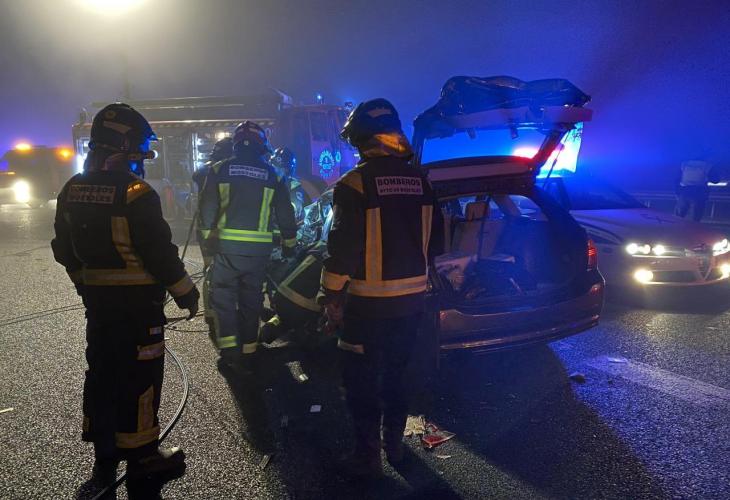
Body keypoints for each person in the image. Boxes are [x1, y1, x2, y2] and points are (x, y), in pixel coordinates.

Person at [51, 103, 200, 493]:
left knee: (103, 374)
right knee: (140, 380)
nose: (143, 157)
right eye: (140, 148)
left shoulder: (72, 189)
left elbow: (63, 249)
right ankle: (143, 457)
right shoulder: (137, 193)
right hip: (139, 311)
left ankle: (105, 456)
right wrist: (187, 293)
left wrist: (85, 286)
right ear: (124, 144)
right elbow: (160, 254)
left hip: (99, 309)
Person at [318, 98, 444, 477]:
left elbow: (342, 250)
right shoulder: (422, 182)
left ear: (362, 140)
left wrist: (331, 296)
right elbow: (438, 245)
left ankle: (367, 457)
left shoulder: (354, 184)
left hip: (366, 308)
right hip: (412, 306)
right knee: (397, 376)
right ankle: (395, 448)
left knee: (360, 382)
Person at [199, 121, 298, 374]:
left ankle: (230, 353)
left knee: (223, 300)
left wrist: (208, 241)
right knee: (251, 301)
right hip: (258, 253)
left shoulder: (219, 169)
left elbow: (207, 208)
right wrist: (289, 244)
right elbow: (285, 214)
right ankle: (250, 350)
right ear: (261, 145)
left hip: (226, 250)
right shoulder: (275, 175)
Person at [193, 137, 233, 335]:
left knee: (211, 271)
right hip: (216, 231)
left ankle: (211, 313)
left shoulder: (206, 170)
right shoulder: (219, 170)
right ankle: (216, 312)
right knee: (216, 272)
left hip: (207, 230)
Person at [675, 155, 721, 222]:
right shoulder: (707, 165)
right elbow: (716, 180)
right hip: (699, 193)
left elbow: (676, 179)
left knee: (678, 217)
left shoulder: (684, 164)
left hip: (684, 191)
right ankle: (692, 228)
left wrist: (677, 191)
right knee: (695, 218)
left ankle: (676, 228)